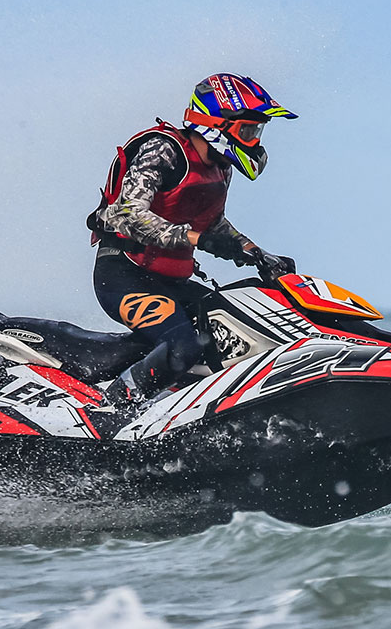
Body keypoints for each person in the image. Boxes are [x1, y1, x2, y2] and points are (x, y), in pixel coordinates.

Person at [86, 73, 298, 407]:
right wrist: (195, 238)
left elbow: (212, 225)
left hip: (171, 281)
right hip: (123, 275)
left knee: (231, 330)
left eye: (257, 132)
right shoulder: (164, 150)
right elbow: (127, 214)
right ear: (216, 124)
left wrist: (257, 254)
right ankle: (111, 410)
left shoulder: (220, 167)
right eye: (247, 131)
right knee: (183, 346)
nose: (254, 141)